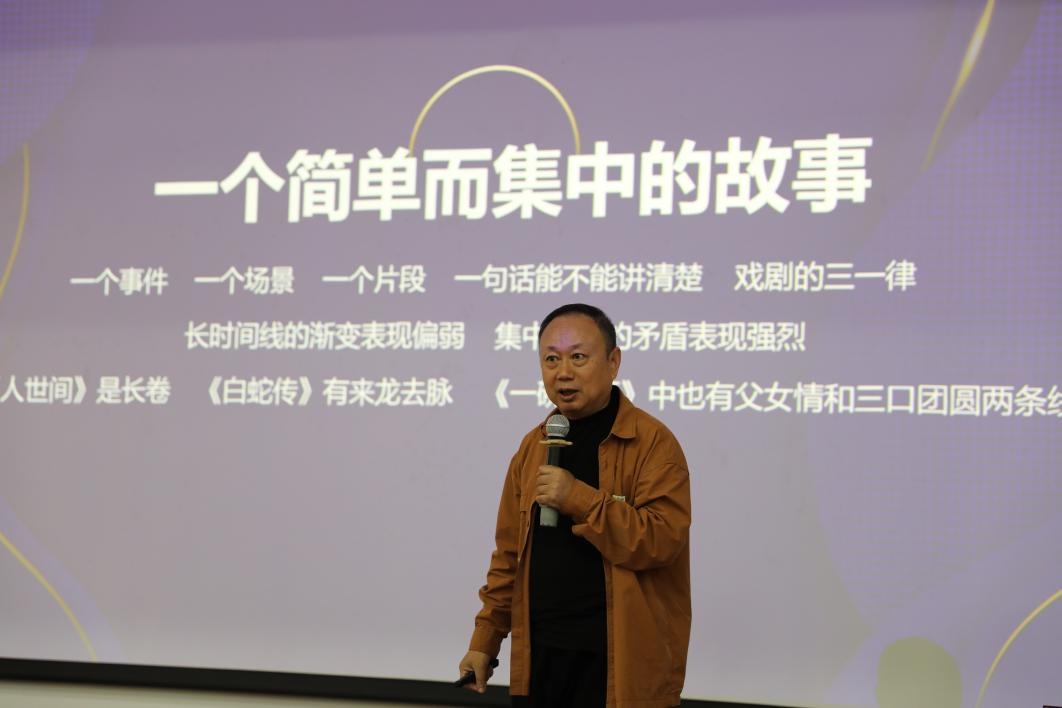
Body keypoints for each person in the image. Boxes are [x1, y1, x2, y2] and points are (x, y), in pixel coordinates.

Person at [458, 303, 692, 707]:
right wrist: (484, 641)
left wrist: (577, 499)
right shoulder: (534, 446)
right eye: (551, 359)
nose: (562, 372)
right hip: (542, 661)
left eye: (578, 357)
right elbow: (509, 556)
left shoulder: (652, 443)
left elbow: (661, 541)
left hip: (616, 668)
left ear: (613, 362)